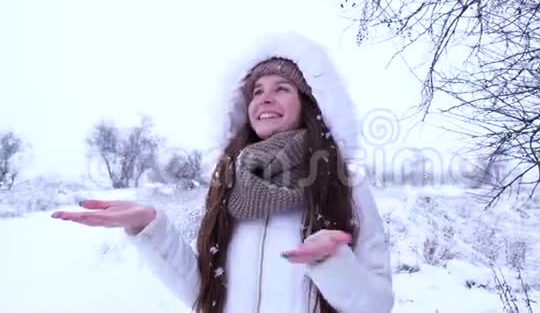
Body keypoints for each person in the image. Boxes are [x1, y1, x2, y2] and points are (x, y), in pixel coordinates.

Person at [51, 32, 395, 313]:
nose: (265, 98)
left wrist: (333, 264)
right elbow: (206, 295)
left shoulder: (343, 186)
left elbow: (378, 305)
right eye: (257, 91)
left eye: (282, 88)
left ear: (308, 103)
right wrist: (149, 227)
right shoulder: (227, 185)